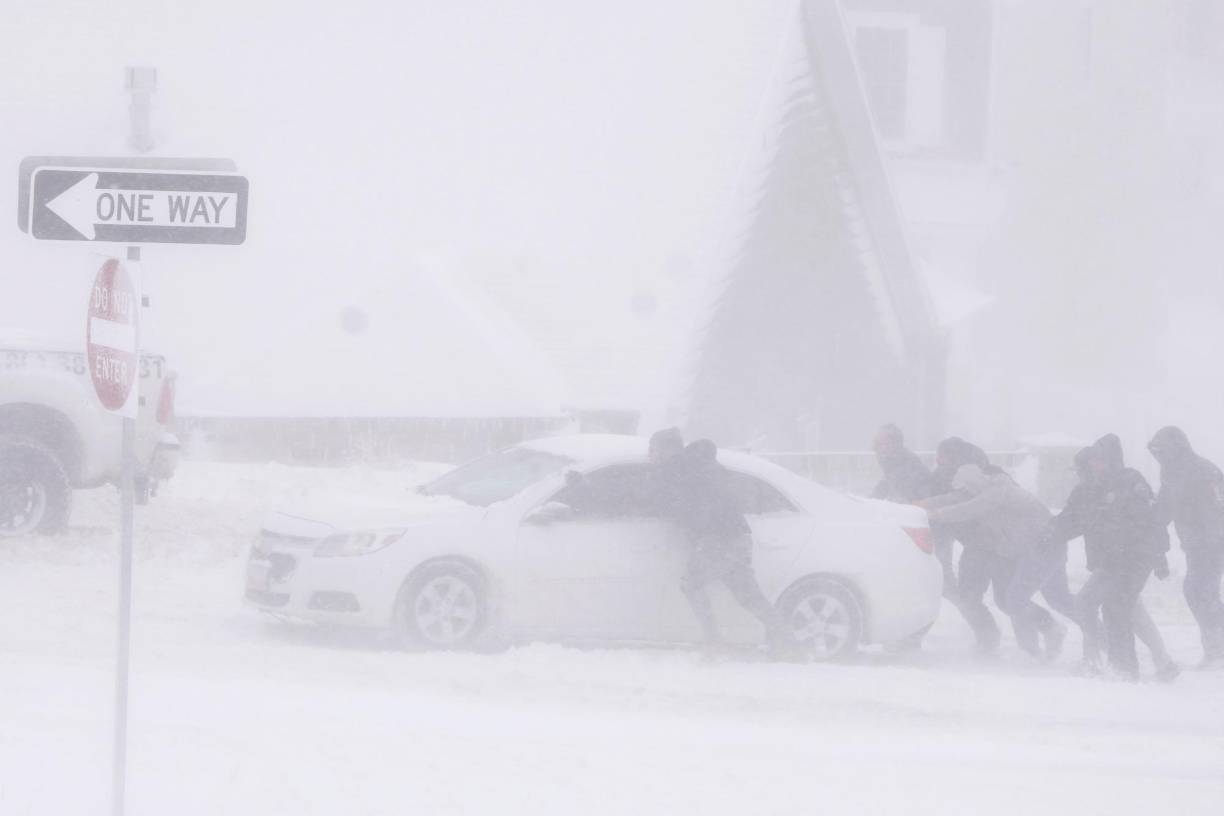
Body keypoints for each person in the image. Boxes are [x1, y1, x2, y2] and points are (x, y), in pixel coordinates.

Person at [1047, 435, 1166, 680]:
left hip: (1132, 556)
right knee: (1122, 608)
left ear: (1112, 459)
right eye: (1093, 461)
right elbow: (1072, 520)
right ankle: (1160, 663)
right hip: (1110, 560)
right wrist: (1047, 534)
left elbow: (1152, 519)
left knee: (1114, 607)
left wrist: (1159, 554)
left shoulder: (1130, 480)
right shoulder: (1088, 489)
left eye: (1100, 460)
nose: (1094, 466)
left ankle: (1121, 667)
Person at [923, 463, 1067, 660]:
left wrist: (935, 514)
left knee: (1015, 599)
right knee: (1009, 600)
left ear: (974, 483)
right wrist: (921, 505)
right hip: (1022, 549)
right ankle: (1039, 640)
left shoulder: (997, 491)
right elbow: (960, 502)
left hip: (1041, 547)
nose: (965, 493)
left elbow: (969, 509)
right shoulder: (987, 497)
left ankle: (1046, 634)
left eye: (966, 488)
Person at [666, 438, 789, 657]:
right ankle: (786, 639)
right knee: (747, 595)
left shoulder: (697, 476)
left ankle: (713, 639)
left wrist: (694, 528)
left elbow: (697, 512)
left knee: (691, 584)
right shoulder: (716, 474)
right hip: (737, 538)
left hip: (718, 541)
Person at [1148, 426, 1224, 668]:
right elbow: (1162, 510)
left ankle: (1216, 650)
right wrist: (1156, 548)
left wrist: (1211, 538)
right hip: (1193, 544)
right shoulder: (1170, 473)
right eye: (1156, 452)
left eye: (1163, 451)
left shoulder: (1205, 470)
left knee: (1199, 591)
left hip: (1213, 542)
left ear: (1176, 448)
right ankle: (1215, 649)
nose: (1159, 456)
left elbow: (1219, 506)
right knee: (1201, 593)